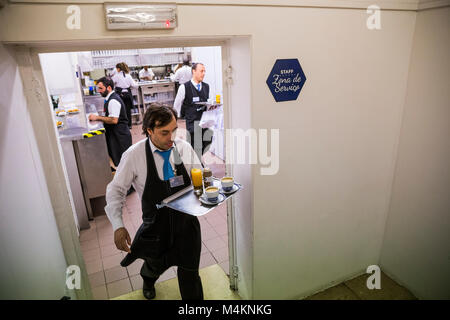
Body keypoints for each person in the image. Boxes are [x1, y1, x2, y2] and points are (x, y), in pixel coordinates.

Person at [104, 104, 204, 300]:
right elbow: (115, 190)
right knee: (154, 264)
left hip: (186, 224)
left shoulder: (183, 148)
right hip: (156, 226)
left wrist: (206, 193)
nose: (172, 137)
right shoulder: (134, 155)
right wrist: (118, 225)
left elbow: (198, 176)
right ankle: (148, 280)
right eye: (165, 132)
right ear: (149, 130)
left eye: (174, 130)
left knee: (190, 273)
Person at [88, 77, 132, 169]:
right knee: (119, 164)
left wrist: (97, 117)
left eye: (101, 88)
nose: (99, 91)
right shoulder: (109, 98)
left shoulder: (113, 100)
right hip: (115, 135)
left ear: (108, 88)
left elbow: (114, 120)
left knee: (123, 165)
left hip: (120, 137)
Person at [173, 62, 213, 161]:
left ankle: (197, 160)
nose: (203, 73)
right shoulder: (184, 87)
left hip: (205, 121)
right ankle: (196, 165)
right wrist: (174, 121)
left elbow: (209, 102)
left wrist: (212, 107)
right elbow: (176, 105)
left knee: (208, 141)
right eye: (201, 71)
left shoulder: (206, 86)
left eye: (204, 71)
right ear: (194, 71)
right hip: (192, 122)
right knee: (195, 145)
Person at [112, 62, 138, 129]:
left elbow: (111, 84)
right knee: (128, 110)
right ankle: (129, 125)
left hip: (119, 95)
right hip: (127, 95)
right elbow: (135, 85)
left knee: (120, 110)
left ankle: (122, 125)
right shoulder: (128, 75)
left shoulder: (116, 76)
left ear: (118, 69)